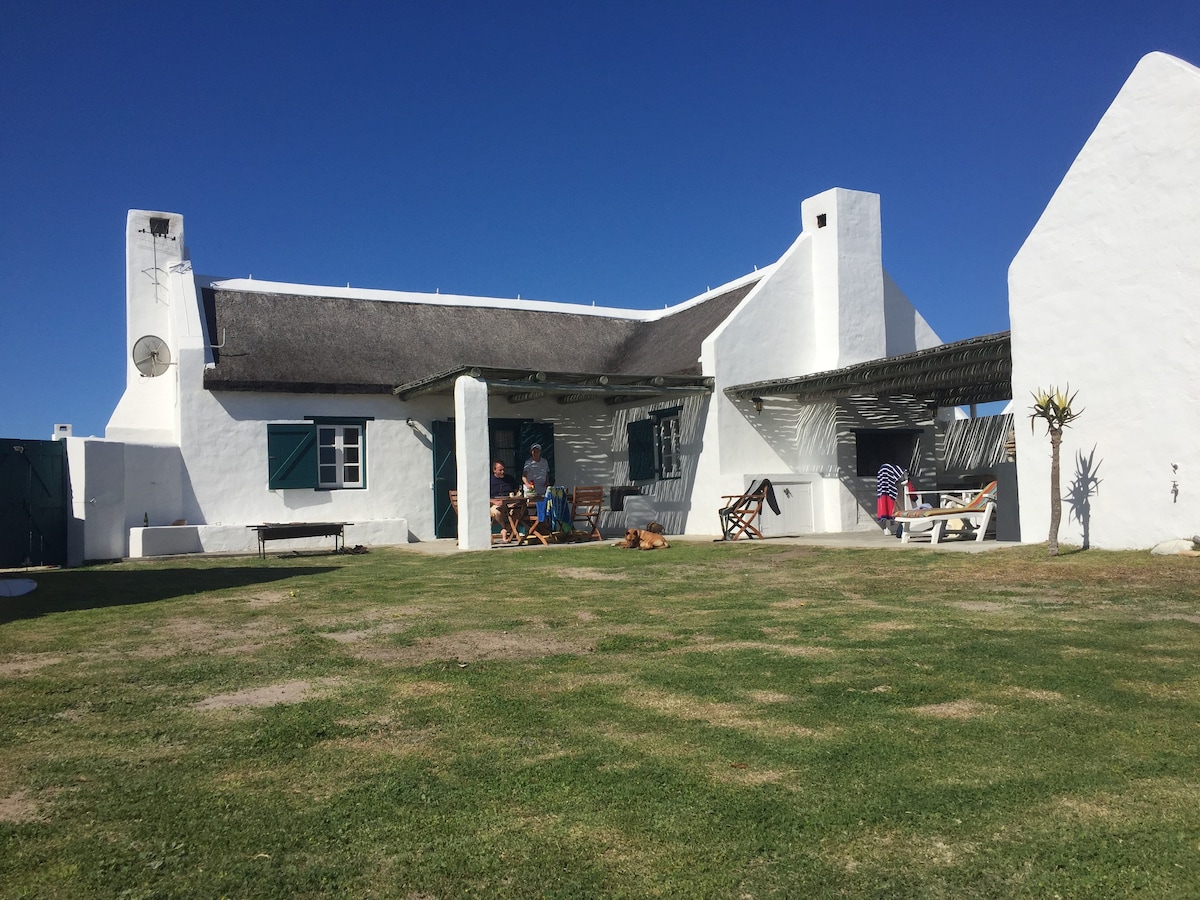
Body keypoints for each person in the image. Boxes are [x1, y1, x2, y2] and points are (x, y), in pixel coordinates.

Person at [489, 460, 526, 542]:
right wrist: (494, 502)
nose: (503, 472)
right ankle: (506, 528)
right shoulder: (489, 480)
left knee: (520, 510)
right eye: (500, 470)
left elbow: (516, 491)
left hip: (510, 503)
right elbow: (484, 496)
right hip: (496, 504)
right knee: (496, 512)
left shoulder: (509, 479)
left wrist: (515, 499)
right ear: (494, 470)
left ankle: (505, 529)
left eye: (503, 470)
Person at [876, 460, 907, 537]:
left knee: (890, 511)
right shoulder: (894, 487)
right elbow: (905, 480)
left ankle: (890, 528)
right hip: (893, 495)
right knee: (898, 509)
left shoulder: (882, 486)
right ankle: (898, 528)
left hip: (888, 493)